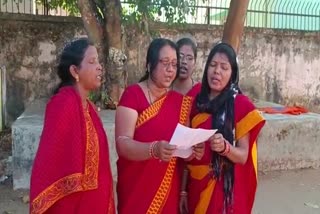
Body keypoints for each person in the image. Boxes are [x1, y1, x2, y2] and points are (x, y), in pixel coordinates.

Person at [115, 38, 204, 214]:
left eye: (174, 64)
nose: (171, 70)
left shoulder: (180, 103)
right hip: (135, 187)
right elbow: (122, 143)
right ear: (149, 65)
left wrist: (194, 152)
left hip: (167, 190)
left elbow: (183, 150)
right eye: (165, 63)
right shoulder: (132, 95)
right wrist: (153, 149)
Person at [30, 38, 115, 214]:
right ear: (75, 70)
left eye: (98, 61)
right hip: (72, 205)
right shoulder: (63, 104)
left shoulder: (89, 107)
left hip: (94, 202)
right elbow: (49, 163)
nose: (99, 66)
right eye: (92, 62)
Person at [182, 42, 266, 214]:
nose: (217, 71)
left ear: (232, 73)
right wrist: (183, 190)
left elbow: (243, 156)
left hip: (223, 193)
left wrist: (225, 147)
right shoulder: (193, 100)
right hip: (194, 186)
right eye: (212, 65)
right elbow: (183, 151)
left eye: (224, 67)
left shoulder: (240, 105)